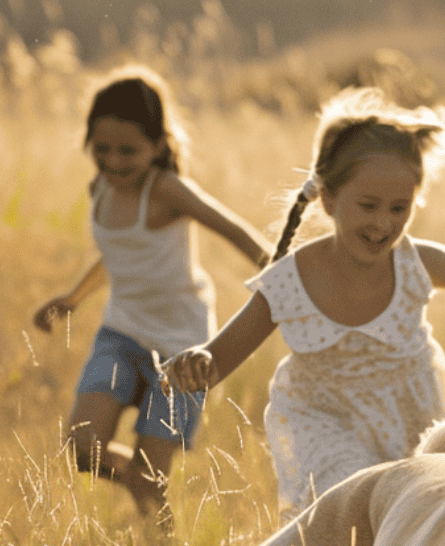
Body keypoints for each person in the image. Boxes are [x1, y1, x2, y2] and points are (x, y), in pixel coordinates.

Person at [163, 86, 445, 520]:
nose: (383, 223)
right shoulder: (291, 282)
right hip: (326, 426)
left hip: (413, 417)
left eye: (399, 208)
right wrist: (194, 365)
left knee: (418, 523)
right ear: (329, 199)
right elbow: (217, 360)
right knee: (353, 512)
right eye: (368, 206)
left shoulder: (414, 264)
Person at [33, 69, 271, 520]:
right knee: (83, 447)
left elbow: (232, 229)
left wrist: (285, 276)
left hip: (183, 349)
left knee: (151, 474)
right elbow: (119, 255)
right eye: (101, 149)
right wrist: (73, 297)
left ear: (158, 145)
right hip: (120, 333)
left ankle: (154, 518)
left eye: (128, 151)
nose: (113, 162)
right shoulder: (100, 187)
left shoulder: (166, 191)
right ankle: (144, 490)